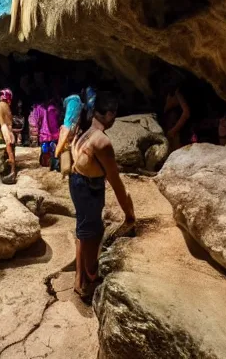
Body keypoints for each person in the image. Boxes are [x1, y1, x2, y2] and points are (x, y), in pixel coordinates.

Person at [69, 91, 135, 300]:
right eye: (113, 114)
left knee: (82, 229)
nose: (114, 118)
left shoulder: (85, 131)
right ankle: (90, 279)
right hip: (89, 188)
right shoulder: (102, 142)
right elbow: (115, 181)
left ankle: (79, 279)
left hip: (77, 181)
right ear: (107, 114)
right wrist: (129, 213)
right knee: (91, 233)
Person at [0, 88, 16, 184]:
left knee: (9, 152)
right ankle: (12, 172)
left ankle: (12, 173)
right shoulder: (5, 107)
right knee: (10, 152)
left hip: (5, 129)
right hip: (7, 129)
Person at [163, 82, 190, 152]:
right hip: (174, 138)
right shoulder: (171, 132)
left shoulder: (170, 112)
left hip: (178, 137)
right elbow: (186, 113)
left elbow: (186, 112)